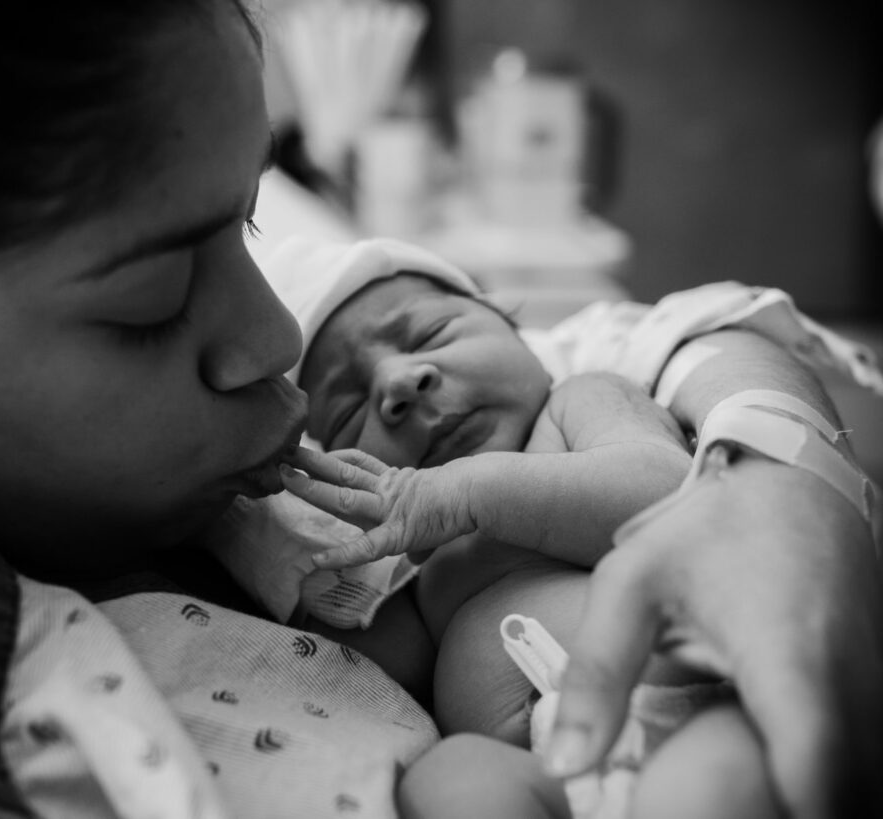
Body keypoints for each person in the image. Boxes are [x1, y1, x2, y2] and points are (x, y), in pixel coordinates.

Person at [0, 3, 881, 819]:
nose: (275, 349)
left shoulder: (568, 406)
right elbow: (362, 646)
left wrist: (786, 472)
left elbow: (655, 393)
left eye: (250, 223)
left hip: (687, 690)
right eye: (151, 306)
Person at [244, 235, 880, 817]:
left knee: (709, 787)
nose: (399, 382)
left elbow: (665, 489)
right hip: (542, 773)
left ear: (518, 332)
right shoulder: (417, 562)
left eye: (430, 334)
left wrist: (473, 490)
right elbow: (358, 673)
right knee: (447, 778)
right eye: (352, 405)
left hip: (685, 710)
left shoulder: (578, 404)